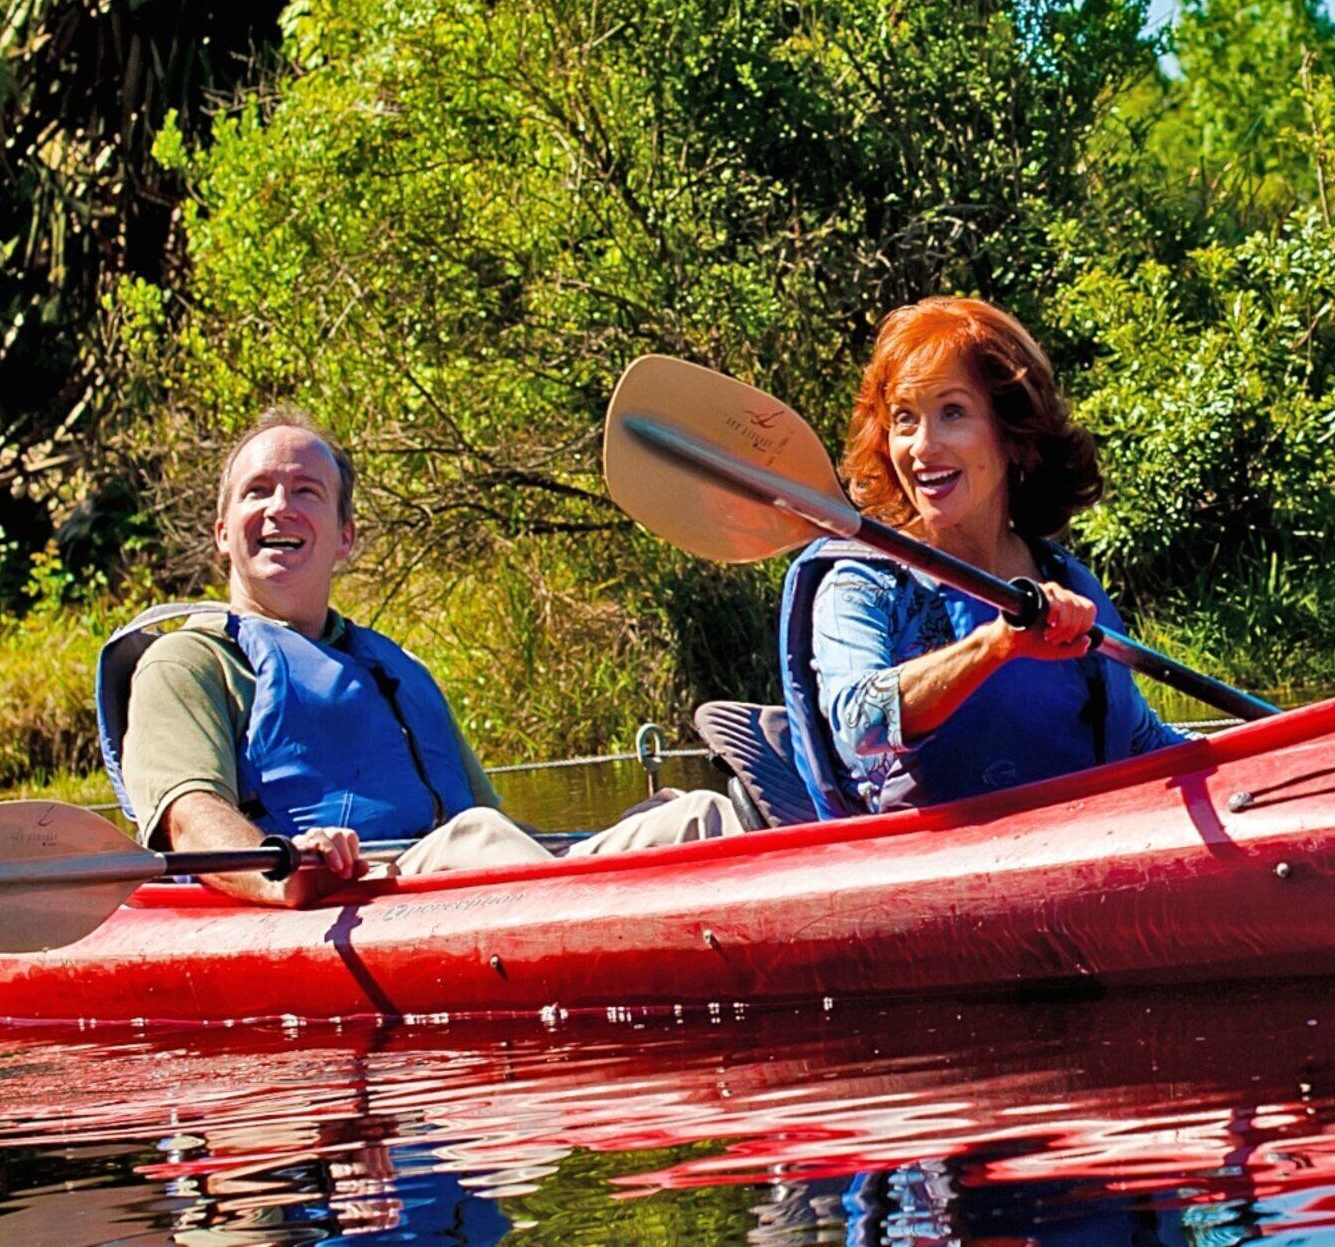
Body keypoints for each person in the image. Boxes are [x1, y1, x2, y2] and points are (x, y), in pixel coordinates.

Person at [99, 409, 747, 901]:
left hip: (458, 882)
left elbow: (493, 824)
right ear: (222, 532)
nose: (279, 508)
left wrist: (606, 841)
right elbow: (190, 821)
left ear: (345, 536)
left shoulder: (395, 670)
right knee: (478, 843)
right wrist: (284, 865)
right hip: (331, 897)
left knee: (700, 816)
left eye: (305, 492)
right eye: (257, 490)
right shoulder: (187, 664)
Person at [779, 299, 1186, 816]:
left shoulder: (1066, 579)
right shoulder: (859, 581)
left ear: (1012, 434)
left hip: (1069, 851)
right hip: (920, 871)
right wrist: (996, 647)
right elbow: (862, 722)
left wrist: (1281, 752)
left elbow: (1137, 741)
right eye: (905, 419)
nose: (923, 447)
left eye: (953, 413)